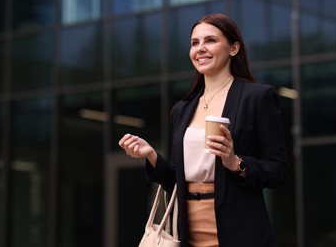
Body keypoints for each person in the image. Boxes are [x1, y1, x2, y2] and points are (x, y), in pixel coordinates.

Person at [118, 13, 288, 247]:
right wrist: (151, 155)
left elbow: (278, 171)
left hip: (239, 229)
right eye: (195, 43)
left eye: (210, 40)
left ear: (233, 48)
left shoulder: (257, 98)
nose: (200, 49)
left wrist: (236, 163)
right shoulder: (182, 109)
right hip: (188, 228)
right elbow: (174, 179)